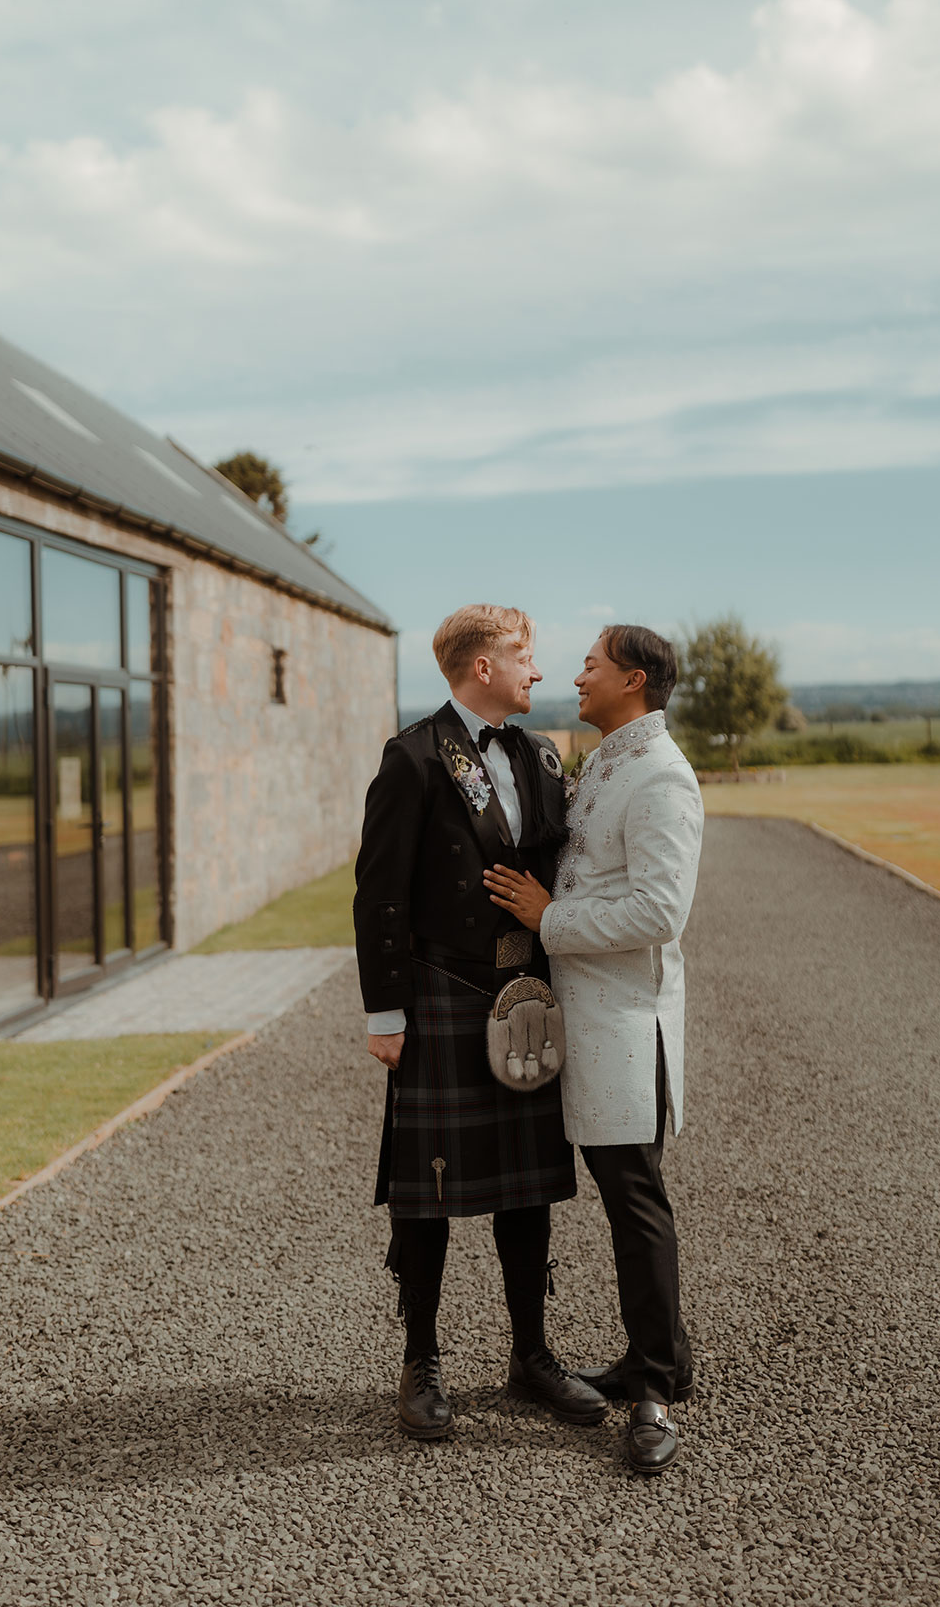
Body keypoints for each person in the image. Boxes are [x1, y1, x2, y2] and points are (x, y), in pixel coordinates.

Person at [354, 603, 608, 1440]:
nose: (539, 671)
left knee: (527, 1187)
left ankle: (530, 1356)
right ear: (482, 666)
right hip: (440, 995)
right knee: (425, 1194)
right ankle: (420, 1360)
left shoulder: (539, 753)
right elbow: (379, 892)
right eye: (525, 656)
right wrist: (385, 1010)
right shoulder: (415, 757)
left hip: (522, 999)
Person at [485, 624, 704, 1473]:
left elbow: (659, 913)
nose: (576, 675)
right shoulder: (611, 758)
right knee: (625, 1197)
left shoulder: (662, 777)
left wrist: (549, 919)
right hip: (584, 1019)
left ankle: (652, 1385)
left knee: (634, 1202)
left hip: (624, 1027)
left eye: (592, 664)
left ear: (635, 680)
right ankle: (664, 1357)